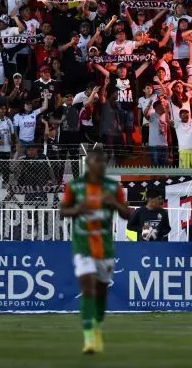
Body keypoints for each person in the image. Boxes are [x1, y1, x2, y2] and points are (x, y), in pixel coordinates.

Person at [58, 146, 130, 355]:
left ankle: (97, 324)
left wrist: (115, 203)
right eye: (98, 162)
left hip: (105, 247)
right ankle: (89, 336)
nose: (102, 166)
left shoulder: (112, 187)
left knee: (100, 292)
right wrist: (76, 210)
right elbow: (63, 210)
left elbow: (127, 215)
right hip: (82, 245)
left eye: (104, 163)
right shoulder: (75, 186)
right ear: (89, 163)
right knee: (88, 288)